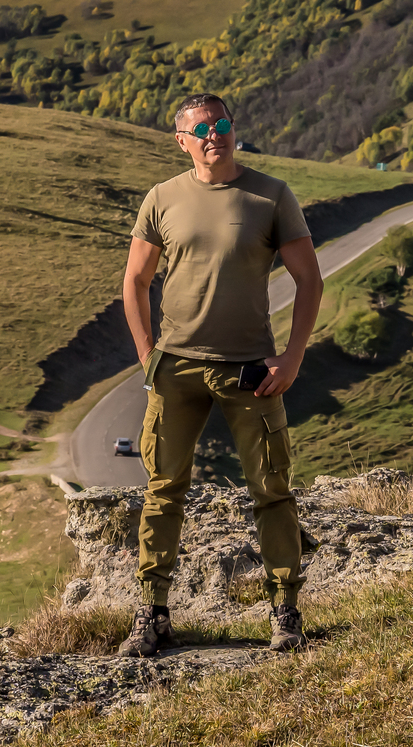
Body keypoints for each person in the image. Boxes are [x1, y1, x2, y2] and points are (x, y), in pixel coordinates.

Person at [116, 92, 324, 657]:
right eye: (201, 129)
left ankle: (285, 613)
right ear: (182, 141)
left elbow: (310, 279)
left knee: (272, 491)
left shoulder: (271, 195)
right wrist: (146, 357)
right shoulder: (161, 199)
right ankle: (153, 614)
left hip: (251, 369)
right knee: (163, 490)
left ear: (236, 131)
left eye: (223, 124)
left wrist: (293, 357)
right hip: (176, 367)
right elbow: (134, 281)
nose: (215, 135)